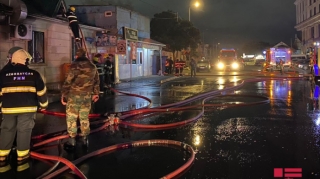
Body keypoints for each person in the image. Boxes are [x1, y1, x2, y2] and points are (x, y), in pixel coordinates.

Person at [0, 49, 48, 170]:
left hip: (8, 110)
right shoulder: (34, 74)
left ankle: (2, 158)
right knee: (24, 131)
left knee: (7, 130)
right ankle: (22, 161)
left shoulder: (3, 75)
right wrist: (44, 105)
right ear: (26, 60)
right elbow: (41, 93)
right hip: (27, 109)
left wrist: (1, 107)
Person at [61, 48, 100, 151]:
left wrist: (64, 95)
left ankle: (72, 140)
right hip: (87, 96)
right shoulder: (92, 66)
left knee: (71, 117)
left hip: (74, 96)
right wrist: (95, 94)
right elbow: (96, 81)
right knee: (84, 117)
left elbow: (67, 82)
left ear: (77, 56)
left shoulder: (74, 66)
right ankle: (84, 138)